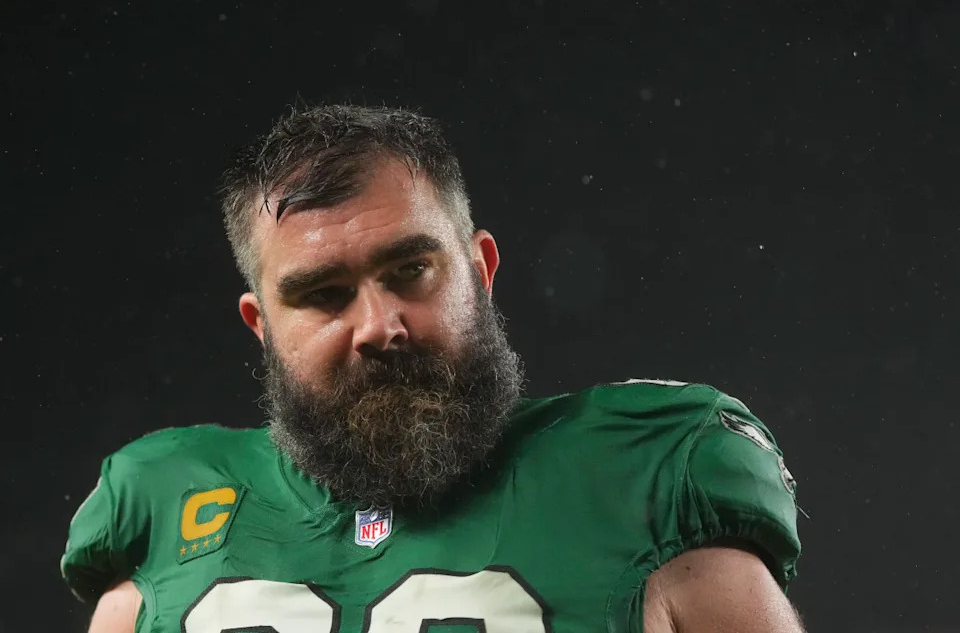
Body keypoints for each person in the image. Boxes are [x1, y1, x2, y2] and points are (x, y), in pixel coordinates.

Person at [61, 104, 805, 632]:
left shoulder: (647, 475)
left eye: (411, 269)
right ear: (261, 325)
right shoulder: (164, 511)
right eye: (323, 295)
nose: (380, 327)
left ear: (480, 268)